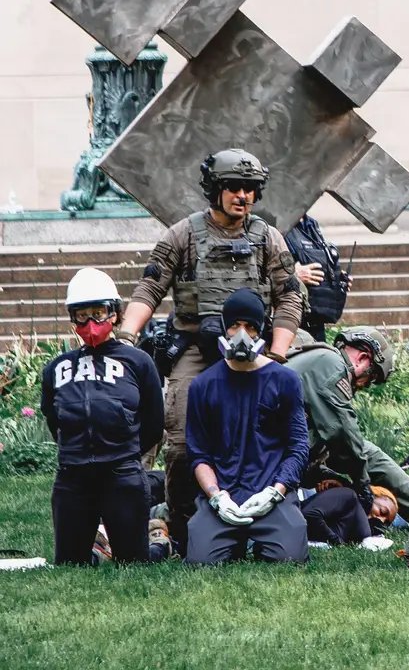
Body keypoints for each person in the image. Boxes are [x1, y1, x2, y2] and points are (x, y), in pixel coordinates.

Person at [117, 148, 304, 556]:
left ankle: (263, 519)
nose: (244, 196)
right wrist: (127, 334)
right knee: (182, 444)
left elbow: (290, 297)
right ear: (214, 190)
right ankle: (186, 528)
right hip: (196, 349)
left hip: (256, 353)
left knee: (264, 439)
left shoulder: (267, 238)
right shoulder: (182, 234)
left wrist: (276, 354)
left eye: (251, 189)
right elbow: (150, 286)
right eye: (234, 187)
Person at [40, 268, 164, 565]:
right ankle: (99, 548)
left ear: (115, 313)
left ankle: (162, 543)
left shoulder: (139, 362)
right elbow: (53, 420)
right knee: (69, 564)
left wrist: (125, 455)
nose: (92, 322)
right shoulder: (55, 368)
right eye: (82, 314)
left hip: (122, 476)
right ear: (72, 317)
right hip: (73, 478)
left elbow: (154, 423)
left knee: (134, 562)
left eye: (99, 312)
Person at [184, 288, 309, 565]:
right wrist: (216, 497)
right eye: (234, 325)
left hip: (270, 490)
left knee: (289, 557)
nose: (242, 333)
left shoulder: (285, 380)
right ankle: (231, 538)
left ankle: (268, 531)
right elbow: (198, 453)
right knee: (200, 560)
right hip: (225, 493)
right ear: (224, 328)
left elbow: (298, 445)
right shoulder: (203, 385)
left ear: (261, 330)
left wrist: (276, 491)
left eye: (250, 327)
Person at [288, 326, 409, 525]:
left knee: (363, 457)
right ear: (363, 358)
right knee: (368, 455)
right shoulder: (331, 364)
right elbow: (342, 434)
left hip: (270, 454)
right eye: (369, 379)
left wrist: (346, 483)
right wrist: (362, 484)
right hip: (267, 460)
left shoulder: (318, 359)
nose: (361, 387)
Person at [284, 211, 352, 343]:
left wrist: (336, 279)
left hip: (315, 320)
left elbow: (316, 260)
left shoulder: (311, 223)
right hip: (290, 320)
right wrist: (293, 275)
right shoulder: (275, 222)